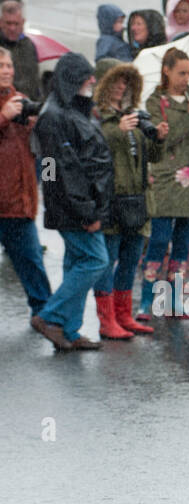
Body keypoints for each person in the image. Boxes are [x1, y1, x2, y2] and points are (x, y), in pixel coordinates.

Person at [32, 54, 112, 351]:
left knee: (77, 262)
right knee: (95, 260)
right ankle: (51, 317)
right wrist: (85, 210)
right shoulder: (56, 117)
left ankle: (69, 329)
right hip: (76, 208)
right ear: (72, 80)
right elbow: (61, 170)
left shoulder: (67, 111)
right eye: (85, 77)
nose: (92, 81)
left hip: (72, 205)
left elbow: (53, 168)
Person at [140, 47, 189, 319]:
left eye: (188, 73)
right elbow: (165, 139)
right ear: (167, 70)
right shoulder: (154, 102)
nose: (185, 78)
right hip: (167, 180)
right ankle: (146, 300)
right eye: (181, 73)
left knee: (183, 243)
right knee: (159, 239)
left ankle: (174, 301)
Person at [92, 59, 164, 337]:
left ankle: (123, 315)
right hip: (112, 199)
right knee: (107, 260)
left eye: (126, 81)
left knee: (131, 259)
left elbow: (152, 157)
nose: (122, 87)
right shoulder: (96, 116)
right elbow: (90, 149)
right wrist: (115, 130)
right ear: (103, 82)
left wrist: (158, 138)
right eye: (117, 80)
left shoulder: (135, 115)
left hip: (137, 199)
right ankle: (106, 320)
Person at [0, 46, 50, 323]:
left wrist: (34, 126)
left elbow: (46, 154)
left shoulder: (22, 101)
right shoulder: (9, 108)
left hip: (19, 200)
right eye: (0, 66)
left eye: (8, 65)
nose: (7, 70)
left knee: (32, 263)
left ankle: (45, 317)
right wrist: (4, 116)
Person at [0, 1, 39, 101]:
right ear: (1, 22)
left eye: (16, 24)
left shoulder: (29, 46)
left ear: (23, 22)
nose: (12, 28)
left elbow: (35, 81)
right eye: (8, 23)